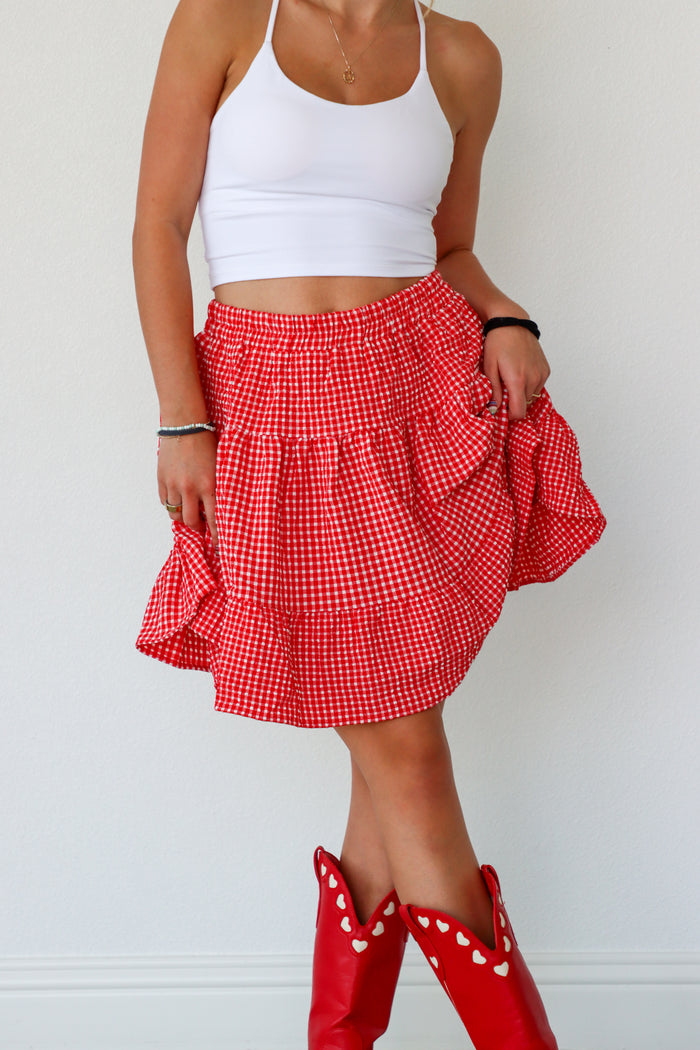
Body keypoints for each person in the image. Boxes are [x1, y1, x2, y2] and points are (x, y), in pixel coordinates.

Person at [132, 1, 606, 1046]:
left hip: (412, 397)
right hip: (267, 409)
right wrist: (182, 416)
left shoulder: (466, 57)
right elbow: (159, 225)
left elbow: (452, 248)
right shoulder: (222, 22)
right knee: (410, 763)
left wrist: (505, 314)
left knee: (394, 764)